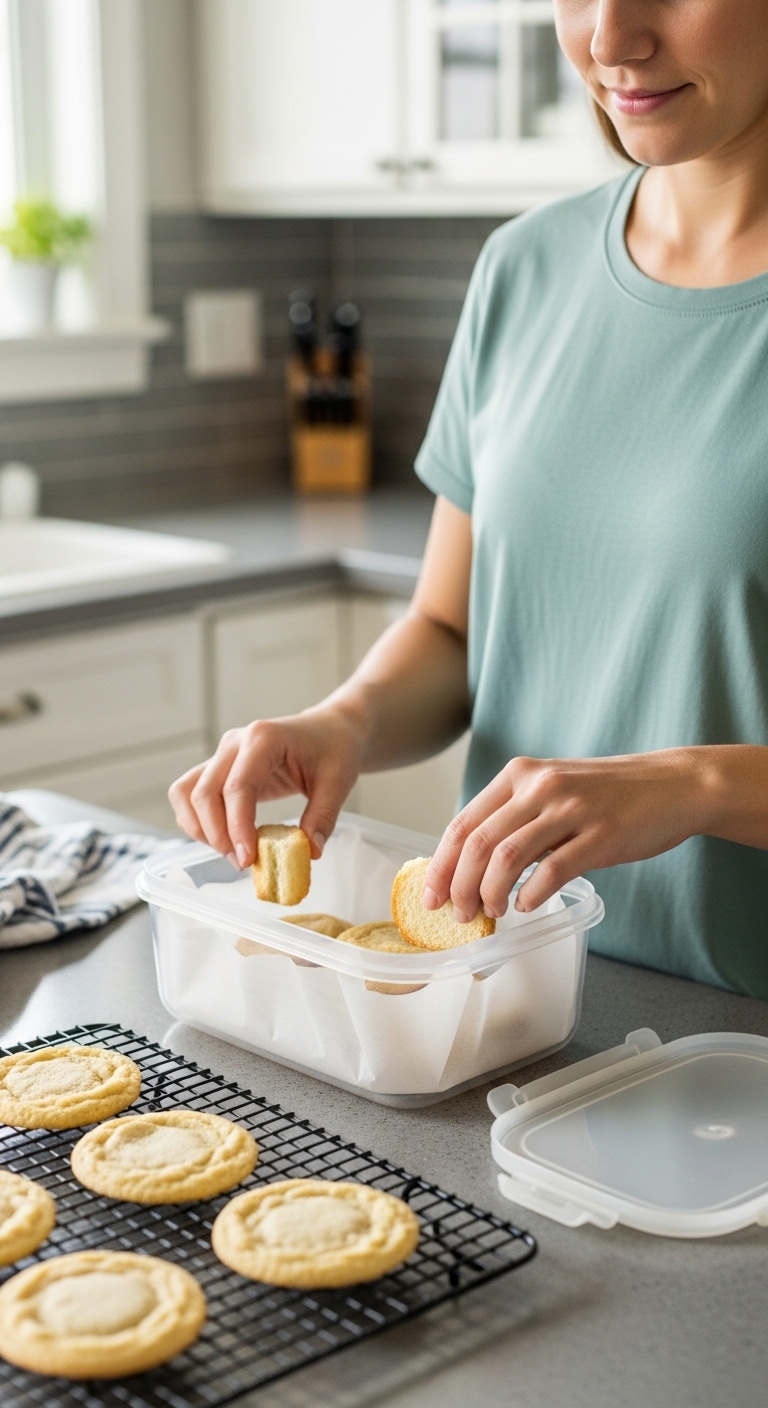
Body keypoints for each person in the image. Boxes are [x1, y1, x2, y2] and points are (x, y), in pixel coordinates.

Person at [170, 0, 768, 1000]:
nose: (610, 39)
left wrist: (698, 786)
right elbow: (453, 627)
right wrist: (345, 723)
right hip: (509, 1006)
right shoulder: (524, 269)